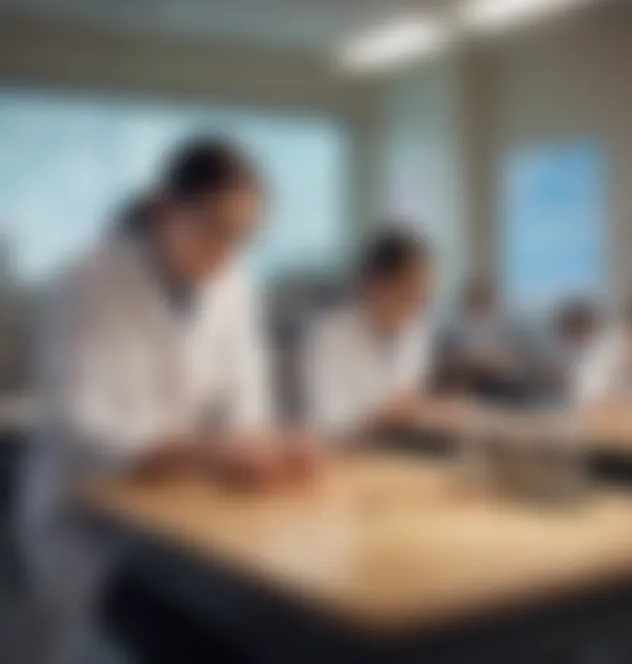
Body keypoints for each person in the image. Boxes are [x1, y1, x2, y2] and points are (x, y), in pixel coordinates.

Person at [14, 137, 317, 664]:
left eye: (243, 236)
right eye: (214, 228)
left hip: (183, 514)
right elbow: (81, 425)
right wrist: (206, 454)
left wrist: (264, 447)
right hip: (89, 525)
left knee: (263, 627)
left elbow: (248, 400)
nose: (228, 251)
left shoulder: (235, 287)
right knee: (187, 639)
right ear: (163, 210)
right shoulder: (87, 280)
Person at [304, 228, 460, 440]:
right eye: (409, 295)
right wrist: (382, 417)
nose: (416, 309)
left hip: (399, 450)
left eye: (424, 298)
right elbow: (328, 425)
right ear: (374, 285)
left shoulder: (416, 330)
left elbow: (409, 401)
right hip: (349, 457)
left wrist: (431, 412)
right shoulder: (330, 335)